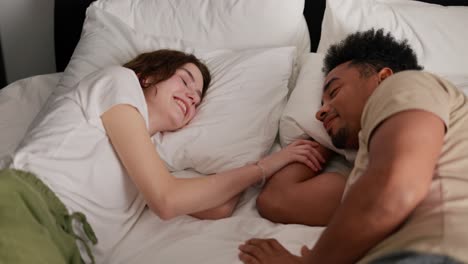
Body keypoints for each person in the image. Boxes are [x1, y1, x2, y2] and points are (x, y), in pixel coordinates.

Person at [2, 49, 324, 263]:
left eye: (197, 100)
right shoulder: (119, 82)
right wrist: (265, 167)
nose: (191, 98)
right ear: (150, 75)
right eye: (185, 81)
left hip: (72, 247)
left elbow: (220, 206)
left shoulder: (153, 153)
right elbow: (167, 199)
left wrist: (279, 157)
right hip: (29, 205)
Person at [238, 28, 468, 263]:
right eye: (321, 104)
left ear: (383, 77)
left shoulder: (405, 84)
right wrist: (321, 142)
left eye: (334, 92)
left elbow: (395, 191)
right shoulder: (364, 177)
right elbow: (277, 200)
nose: (319, 112)